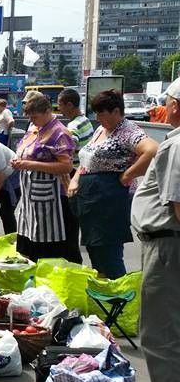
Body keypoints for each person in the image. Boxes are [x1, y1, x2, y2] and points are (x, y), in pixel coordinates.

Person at [128, 76, 180, 382]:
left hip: (167, 245)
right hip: (165, 243)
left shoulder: (176, 146)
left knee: (159, 333)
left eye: (168, 101)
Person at [68, 90, 158, 279]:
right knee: (95, 252)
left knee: (109, 254)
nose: (99, 118)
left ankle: (120, 300)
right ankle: (104, 298)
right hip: (91, 200)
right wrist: (75, 179)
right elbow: (87, 160)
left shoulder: (128, 130)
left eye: (102, 113)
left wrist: (127, 175)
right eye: (97, 113)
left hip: (110, 201)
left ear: (116, 111)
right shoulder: (102, 129)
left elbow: (151, 150)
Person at [12, 91, 81, 263]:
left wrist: (30, 164)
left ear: (47, 112)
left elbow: (66, 166)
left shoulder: (59, 133)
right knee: (31, 242)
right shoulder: (35, 129)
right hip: (31, 199)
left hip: (52, 199)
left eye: (35, 116)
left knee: (51, 246)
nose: (32, 120)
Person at [58, 88, 94, 171]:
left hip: (75, 171)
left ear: (69, 105)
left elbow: (66, 153)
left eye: (60, 105)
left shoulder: (73, 126)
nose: (59, 108)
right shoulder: (85, 120)